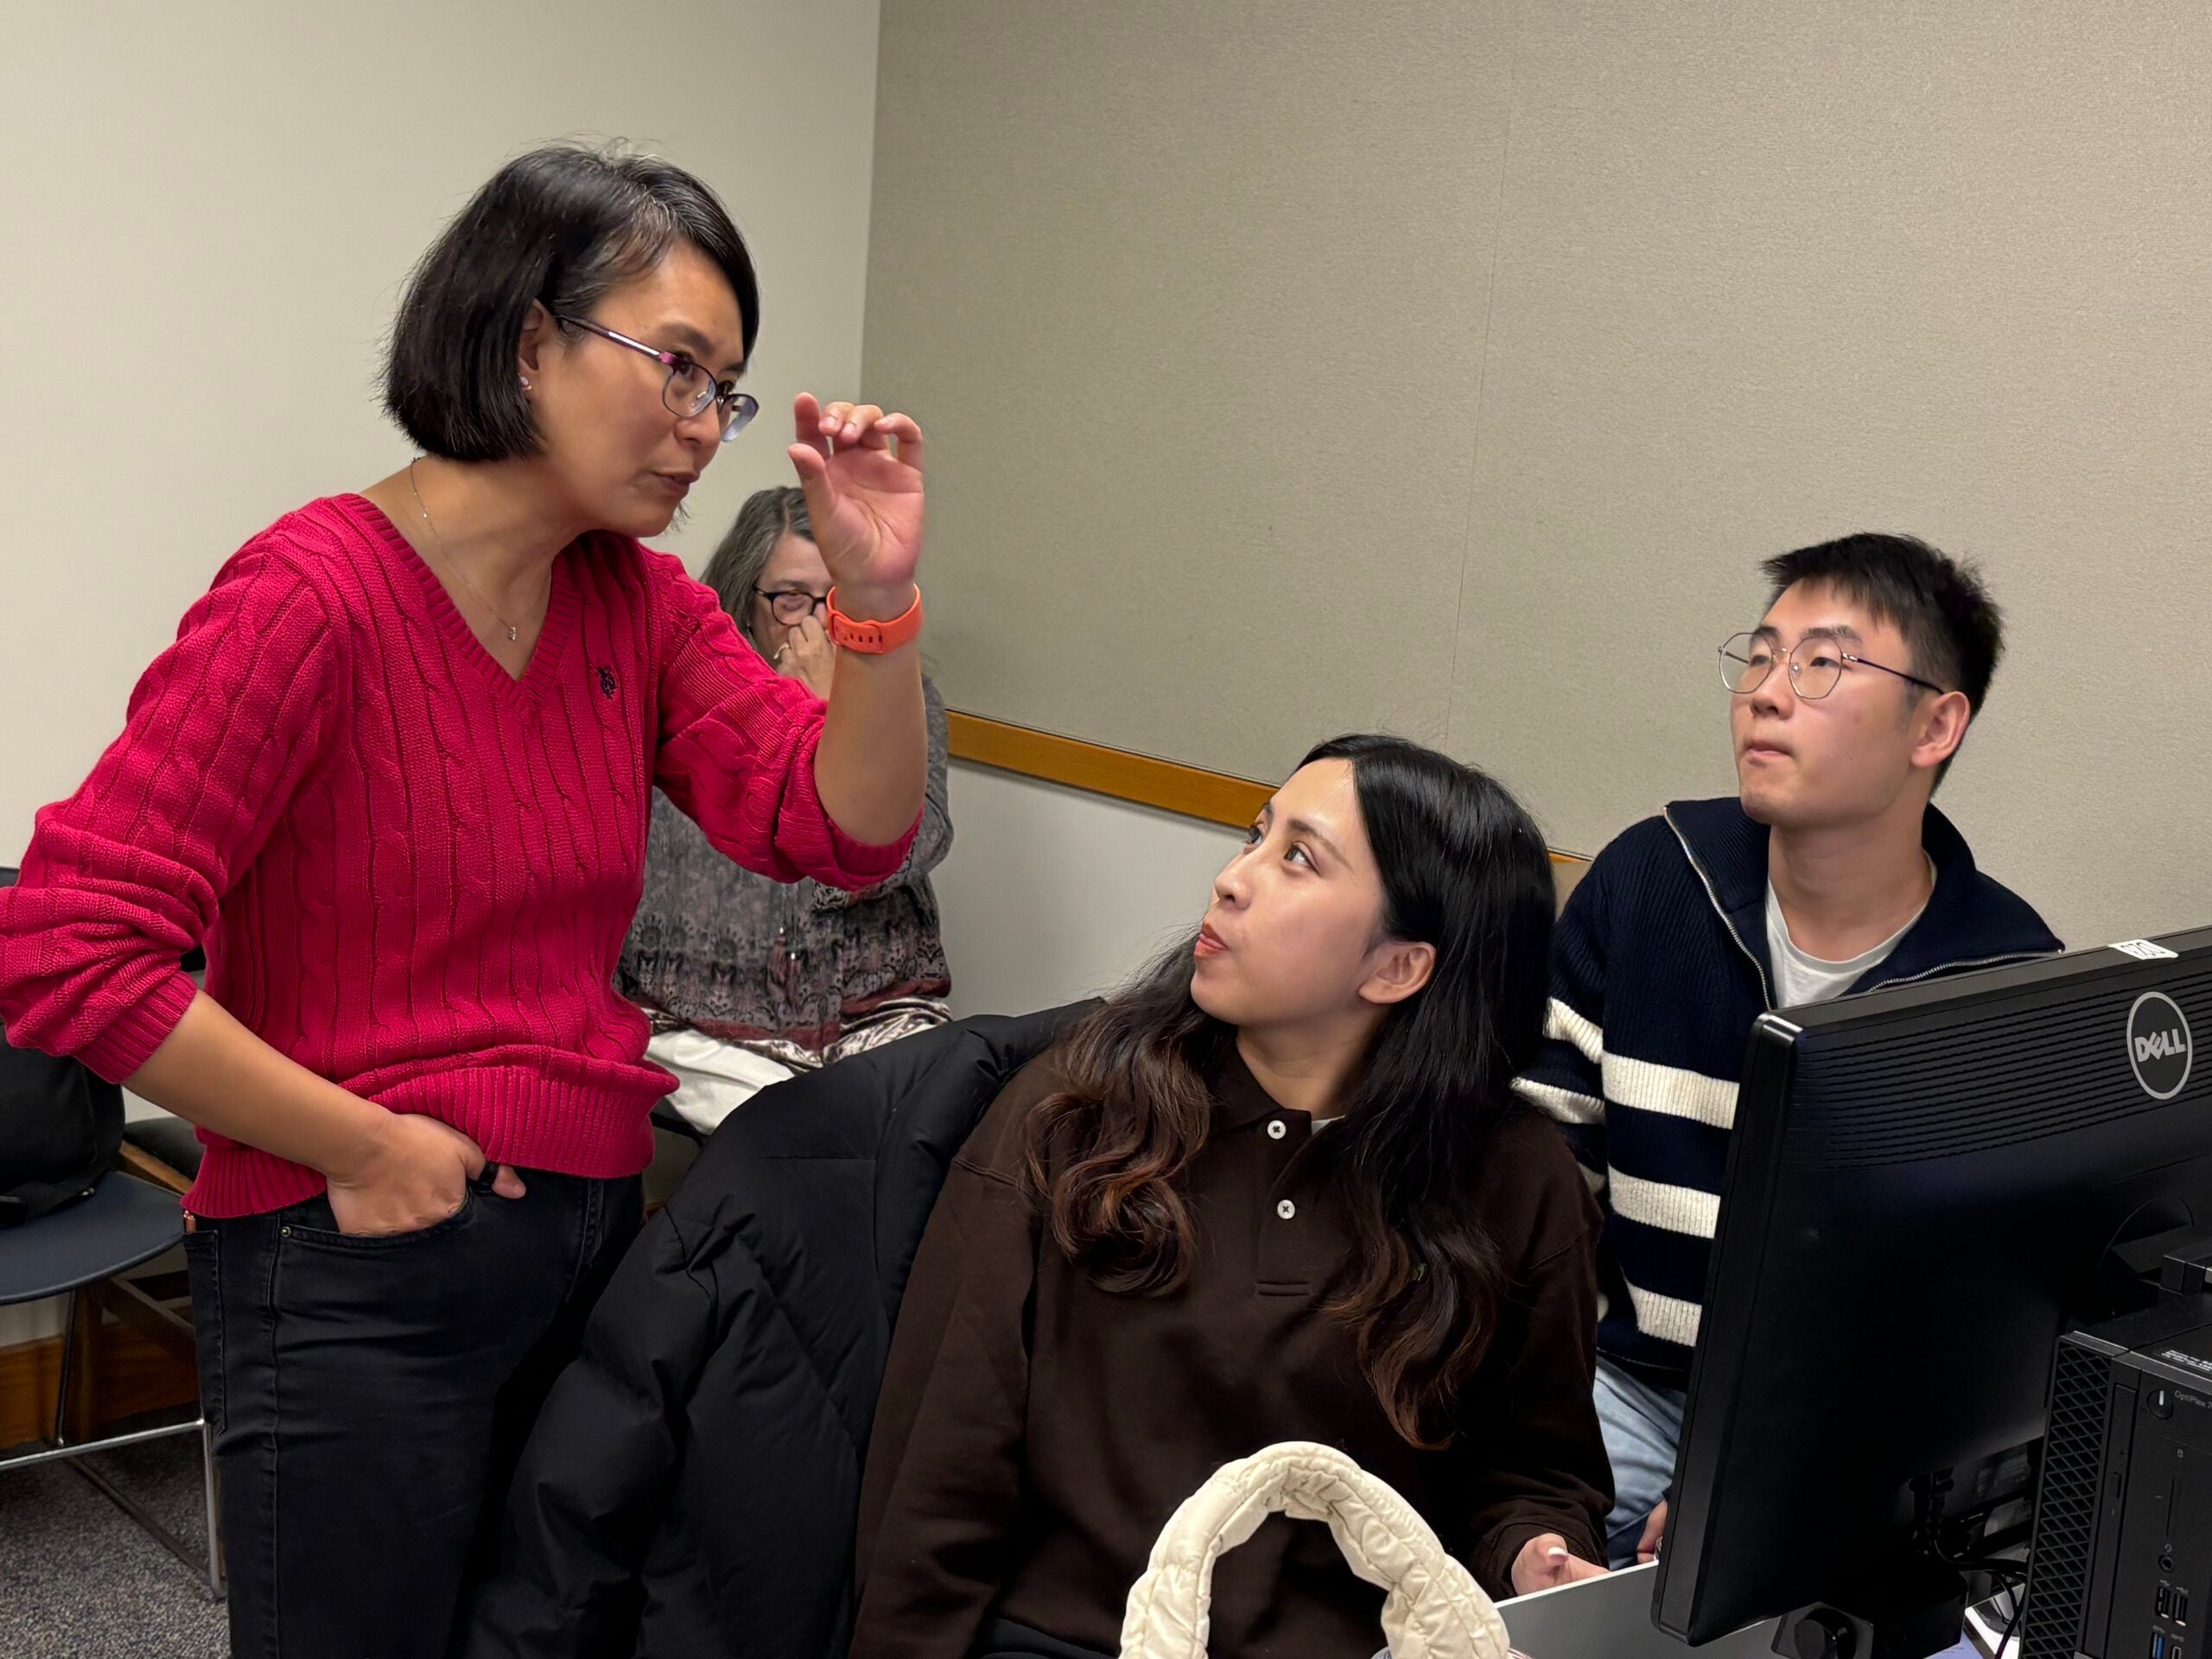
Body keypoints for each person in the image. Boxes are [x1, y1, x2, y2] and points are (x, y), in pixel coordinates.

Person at [0, 144, 930, 1658]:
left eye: (727, 390)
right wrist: (358, 1143)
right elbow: (67, 947)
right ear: (528, 340)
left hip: (582, 1237)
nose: (707, 427)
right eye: (678, 368)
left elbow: (843, 830)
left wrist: (876, 606)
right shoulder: (311, 597)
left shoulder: (638, 603)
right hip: (350, 1254)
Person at [853, 735, 1612, 1659]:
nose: (1230, 879)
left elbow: (1532, 1475)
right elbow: (942, 1464)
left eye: (1298, 859)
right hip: (1075, 1640)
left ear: (1397, 969)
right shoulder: (1080, 1111)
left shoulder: (1516, 1178)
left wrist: (1535, 1552)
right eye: (1257, 836)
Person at [1518, 533, 2063, 1570]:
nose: (1766, 694)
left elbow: (1974, 1334)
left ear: (1935, 724)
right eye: (1761, 657)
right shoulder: (1652, 881)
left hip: (1843, 1441)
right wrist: (1519, 1484)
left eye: (1821, 664)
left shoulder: (2000, 987)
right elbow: (1530, 1183)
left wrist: (1758, 1478)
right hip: (1628, 1382)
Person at [620, 486, 953, 1135]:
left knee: (927, 1131)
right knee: (794, 1142)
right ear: (746, 600)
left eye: (838, 599)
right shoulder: (692, 698)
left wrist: (839, 719)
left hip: (876, 1010)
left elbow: (913, 849)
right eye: (792, 597)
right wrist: (801, 717)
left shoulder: (908, 701)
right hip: (703, 1018)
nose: (819, 624)